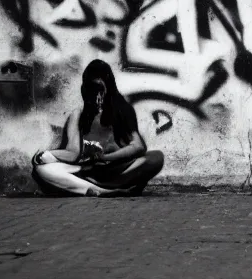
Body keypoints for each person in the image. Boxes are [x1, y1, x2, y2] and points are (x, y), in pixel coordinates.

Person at [31, 59, 164, 197]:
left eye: (101, 91)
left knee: (156, 158)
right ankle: (103, 191)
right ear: (86, 91)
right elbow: (72, 152)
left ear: (109, 88)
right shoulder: (78, 115)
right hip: (88, 172)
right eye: (93, 91)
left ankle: (107, 186)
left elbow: (138, 146)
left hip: (117, 170)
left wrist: (105, 157)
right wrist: (47, 155)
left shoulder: (122, 110)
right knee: (42, 170)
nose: (97, 98)